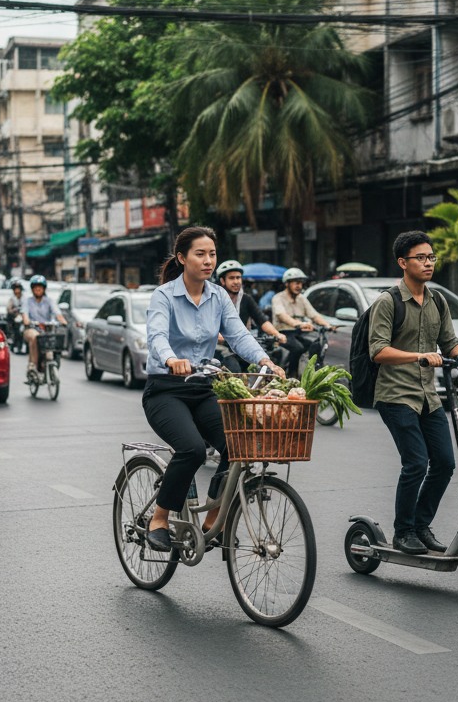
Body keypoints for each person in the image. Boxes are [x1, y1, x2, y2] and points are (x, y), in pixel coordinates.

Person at [142, 227, 284, 552]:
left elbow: (238, 335)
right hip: (165, 389)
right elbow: (156, 335)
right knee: (192, 449)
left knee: (238, 447)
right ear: (182, 258)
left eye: (212, 254)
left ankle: (212, 523)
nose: (208, 260)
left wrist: (265, 360)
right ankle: (159, 519)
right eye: (200, 254)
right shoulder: (164, 295)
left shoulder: (218, 296)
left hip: (203, 387)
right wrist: (171, 359)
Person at [369, 231, 458, 555]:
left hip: (428, 396)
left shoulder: (437, 300)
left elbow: (450, 343)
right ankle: (403, 532)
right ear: (403, 262)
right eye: (420, 258)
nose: (428, 263)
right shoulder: (388, 302)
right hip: (395, 395)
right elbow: (378, 351)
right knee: (415, 463)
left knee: (445, 463)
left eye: (431, 257)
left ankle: (420, 525)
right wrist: (419, 356)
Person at [215, 260, 286, 369]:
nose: (236, 281)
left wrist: (277, 334)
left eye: (238, 278)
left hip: (242, 343)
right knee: (234, 369)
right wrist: (217, 335)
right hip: (220, 346)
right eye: (231, 278)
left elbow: (262, 320)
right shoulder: (214, 299)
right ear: (222, 281)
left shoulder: (246, 299)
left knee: (263, 366)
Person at [271, 268, 338, 373]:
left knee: (316, 345)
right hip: (283, 332)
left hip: (298, 332)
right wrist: (298, 323)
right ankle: (290, 373)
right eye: (296, 283)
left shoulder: (301, 298)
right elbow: (282, 315)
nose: (299, 286)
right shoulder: (278, 298)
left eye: (300, 283)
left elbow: (314, 315)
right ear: (287, 284)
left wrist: (328, 325)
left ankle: (310, 372)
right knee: (297, 348)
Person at [22, 275, 67, 380]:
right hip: (31, 329)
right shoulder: (28, 301)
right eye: (35, 287)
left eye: (40, 287)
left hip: (46, 330)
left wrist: (63, 321)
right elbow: (25, 315)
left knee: (51, 339)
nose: (38, 289)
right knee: (35, 336)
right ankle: (32, 365)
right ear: (32, 289)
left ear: (44, 289)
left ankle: (49, 362)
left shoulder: (49, 301)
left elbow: (57, 313)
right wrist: (27, 321)